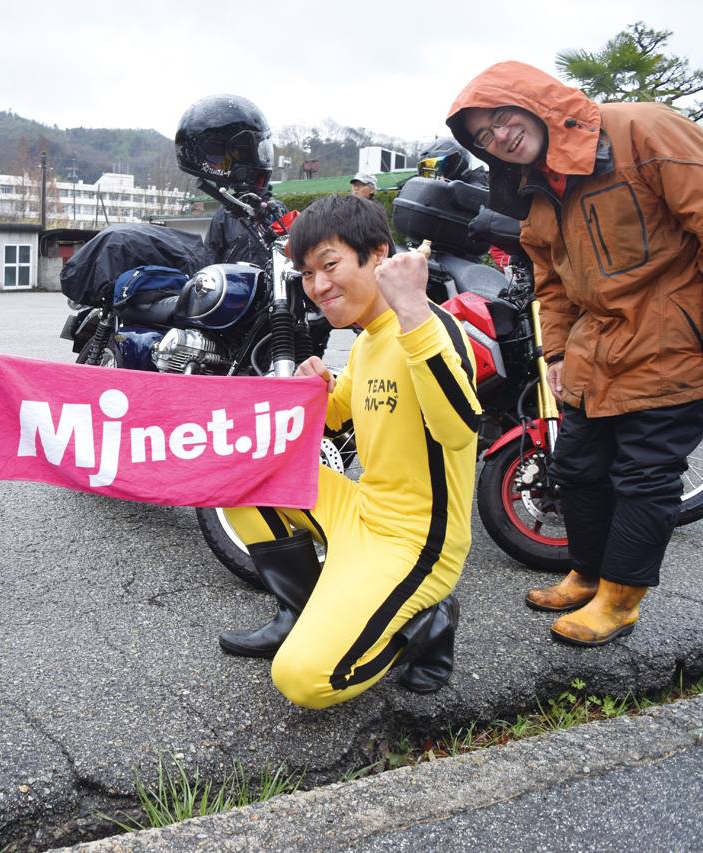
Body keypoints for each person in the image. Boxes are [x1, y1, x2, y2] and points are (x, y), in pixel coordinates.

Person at [447, 61, 703, 647]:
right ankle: (586, 576)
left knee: (645, 476)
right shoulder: (536, 191)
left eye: (502, 117)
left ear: (534, 101)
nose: (499, 137)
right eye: (484, 136)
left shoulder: (642, 130)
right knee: (576, 467)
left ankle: (620, 598)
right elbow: (552, 284)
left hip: (670, 340)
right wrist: (558, 354)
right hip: (594, 351)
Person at [217, 193, 480, 709]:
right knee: (241, 474)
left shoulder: (429, 328)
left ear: (378, 254)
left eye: (330, 265)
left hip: (416, 542)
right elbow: (340, 416)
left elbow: (459, 430)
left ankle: (428, 625)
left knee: (301, 680)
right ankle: (299, 613)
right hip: (360, 509)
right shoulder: (366, 340)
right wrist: (320, 387)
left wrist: (413, 311)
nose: (318, 286)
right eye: (307, 273)